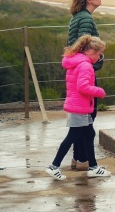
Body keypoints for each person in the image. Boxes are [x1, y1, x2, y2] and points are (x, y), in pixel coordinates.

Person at [46, 35, 111, 179]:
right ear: (91, 52)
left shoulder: (75, 62)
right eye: (99, 54)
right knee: (72, 137)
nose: (99, 58)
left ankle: (93, 167)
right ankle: (54, 166)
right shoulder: (86, 65)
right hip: (80, 107)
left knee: (89, 134)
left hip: (78, 106)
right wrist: (99, 92)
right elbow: (83, 87)